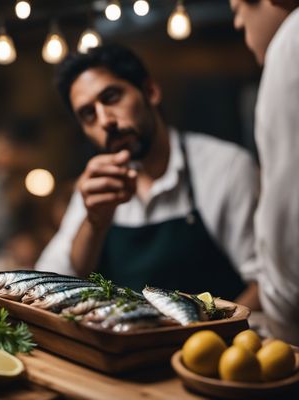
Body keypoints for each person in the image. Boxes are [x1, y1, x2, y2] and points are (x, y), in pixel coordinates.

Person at [36, 44, 260, 305]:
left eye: (111, 97)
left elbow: (266, 283)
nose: (105, 120)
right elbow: (54, 277)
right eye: (88, 114)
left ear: (150, 92)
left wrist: (211, 337)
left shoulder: (226, 167)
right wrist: (94, 223)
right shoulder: (97, 185)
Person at [230, 0, 299, 343]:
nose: (237, 24)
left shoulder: (291, 42)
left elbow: (289, 219)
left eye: (237, 8)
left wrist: (283, 321)